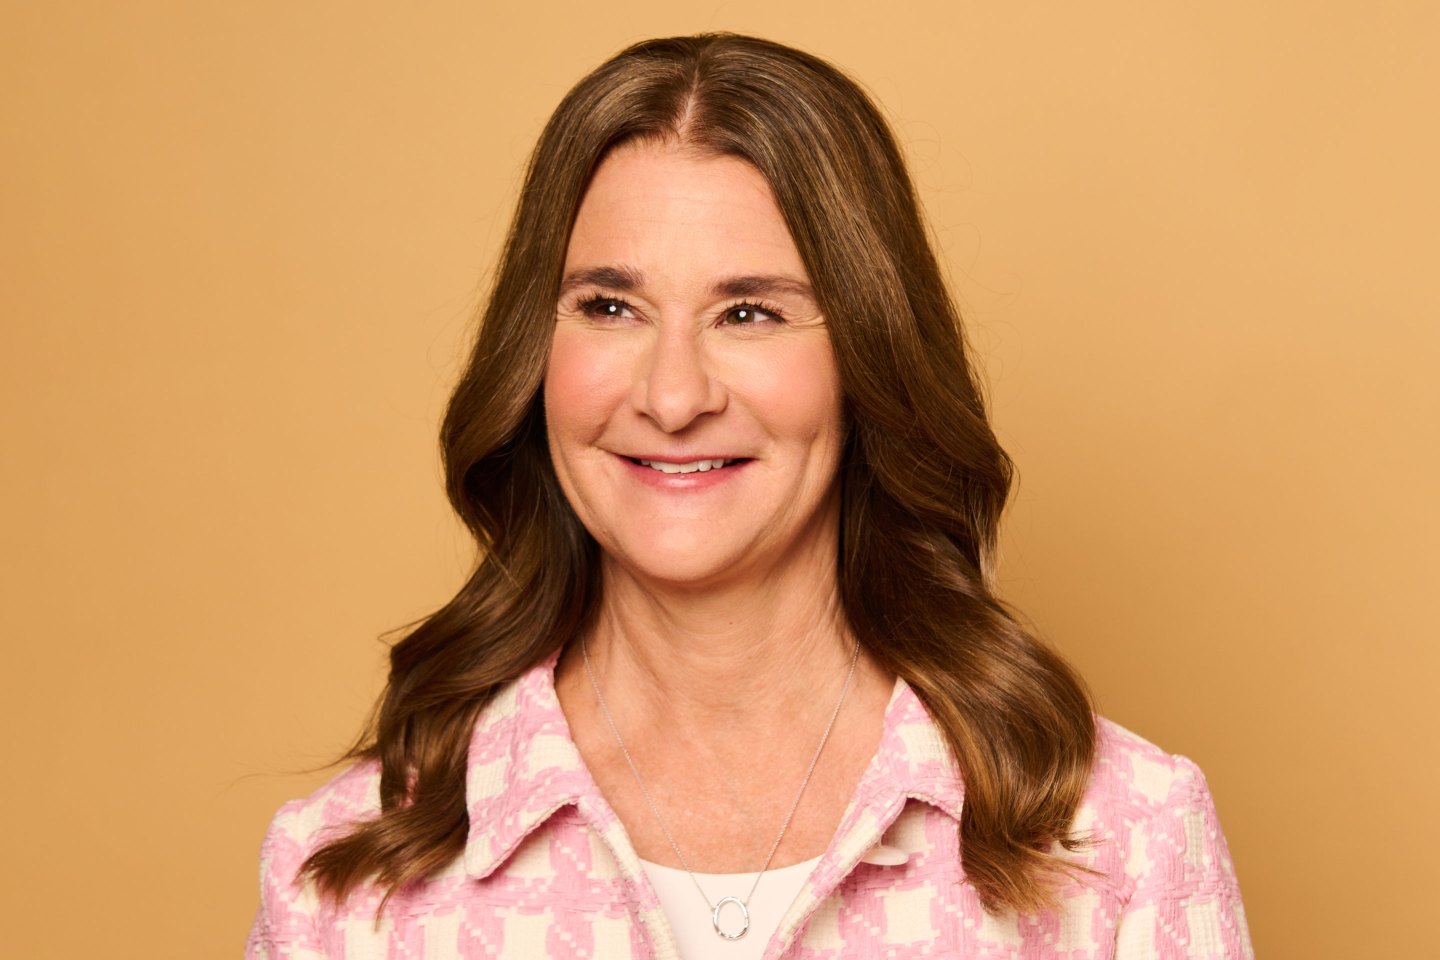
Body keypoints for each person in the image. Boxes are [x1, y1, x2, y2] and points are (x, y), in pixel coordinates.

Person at [245, 33, 1252, 959]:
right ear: (535, 356)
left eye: (750, 311)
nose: (673, 395)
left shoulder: (1120, 841)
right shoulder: (353, 882)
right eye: (609, 306)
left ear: (868, 361)